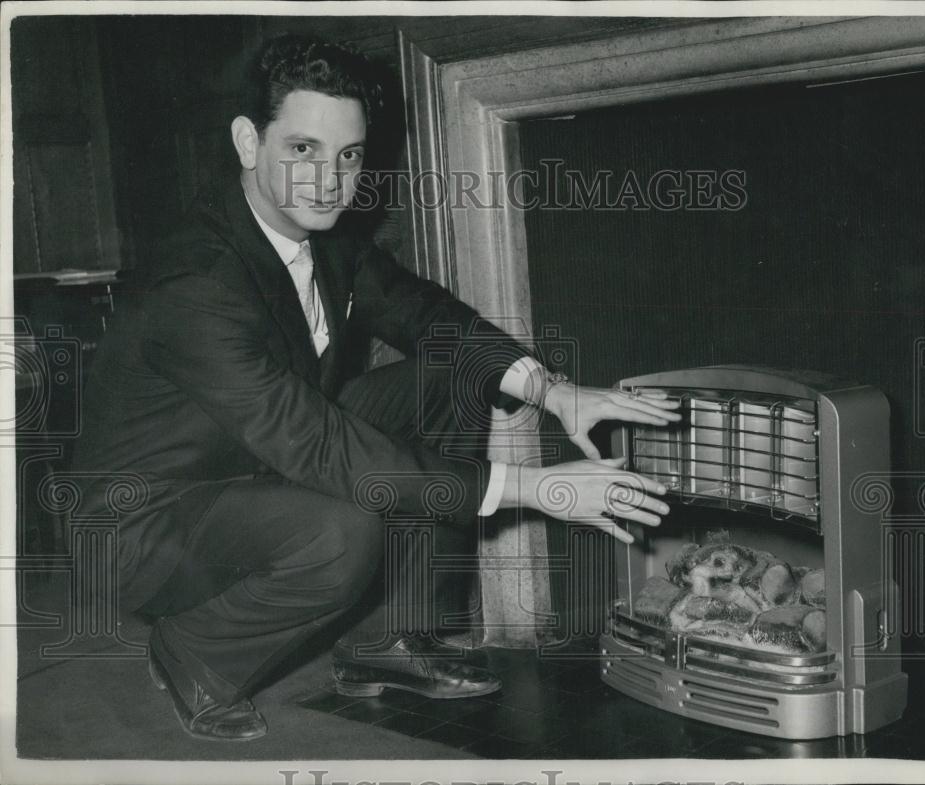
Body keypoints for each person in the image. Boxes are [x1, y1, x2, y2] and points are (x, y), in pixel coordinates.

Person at [72, 33, 679, 741]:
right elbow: (320, 444)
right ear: (248, 141)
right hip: (147, 522)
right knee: (345, 529)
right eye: (303, 149)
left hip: (253, 456)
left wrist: (553, 390)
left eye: (348, 156)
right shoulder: (197, 282)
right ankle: (194, 650)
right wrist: (539, 485)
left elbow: (424, 313)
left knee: (458, 374)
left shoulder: (320, 231)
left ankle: (385, 640)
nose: (330, 180)